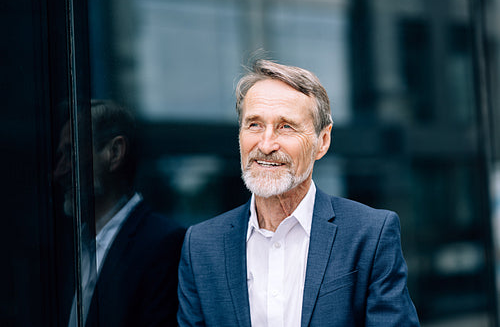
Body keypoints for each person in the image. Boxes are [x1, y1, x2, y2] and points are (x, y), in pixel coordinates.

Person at [177, 60, 419, 326]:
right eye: (254, 125)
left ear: (322, 142)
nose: (266, 144)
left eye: (286, 126)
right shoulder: (200, 246)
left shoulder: (370, 234)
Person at [54, 100, 185, 327]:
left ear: (114, 153)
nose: (59, 171)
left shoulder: (163, 244)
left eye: (71, 153)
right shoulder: (70, 248)